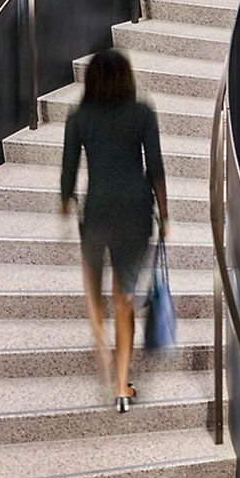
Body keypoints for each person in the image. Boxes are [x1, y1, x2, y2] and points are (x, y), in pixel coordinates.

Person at [60, 49, 166, 413]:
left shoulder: (78, 117)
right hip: (135, 213)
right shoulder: (142, 112)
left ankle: (100, 345)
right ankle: (122, 386)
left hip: (98, 211)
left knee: (92, 287)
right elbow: (156, 168)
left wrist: (65, 202)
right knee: (124, 297)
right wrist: (164, 215)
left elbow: (68, 172)